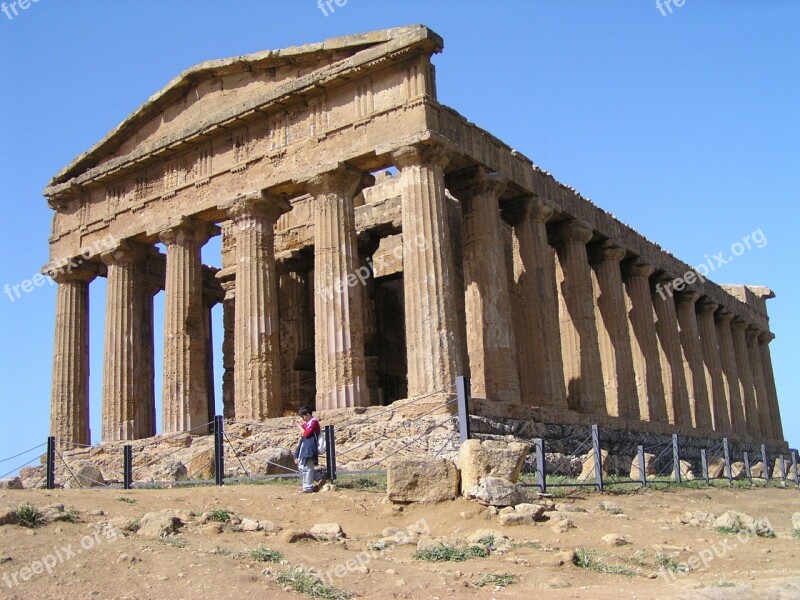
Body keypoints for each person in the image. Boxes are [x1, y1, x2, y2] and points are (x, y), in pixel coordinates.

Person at [293, 407, 320, 493]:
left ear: (308, 414)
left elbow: (306, 433)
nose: (302, 419)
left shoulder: (314, 422)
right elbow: (303, 427)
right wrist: (296, 424)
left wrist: (298, 425)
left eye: (303, 417)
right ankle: (306, 485)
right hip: (305, 446)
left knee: (308, 467)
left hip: (310, 447)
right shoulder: (309, 423)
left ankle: (308, 487)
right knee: (302, 467)